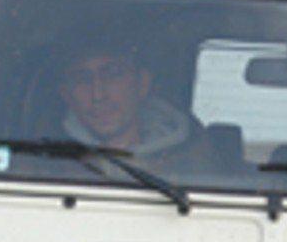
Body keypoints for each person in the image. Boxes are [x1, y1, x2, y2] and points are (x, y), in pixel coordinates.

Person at [53, 39, 216, 171]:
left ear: (142, 84)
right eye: (82, 80)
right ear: (67, 95)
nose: (98, 95)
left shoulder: (194, 167)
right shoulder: (47, 165)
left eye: (113, 75)